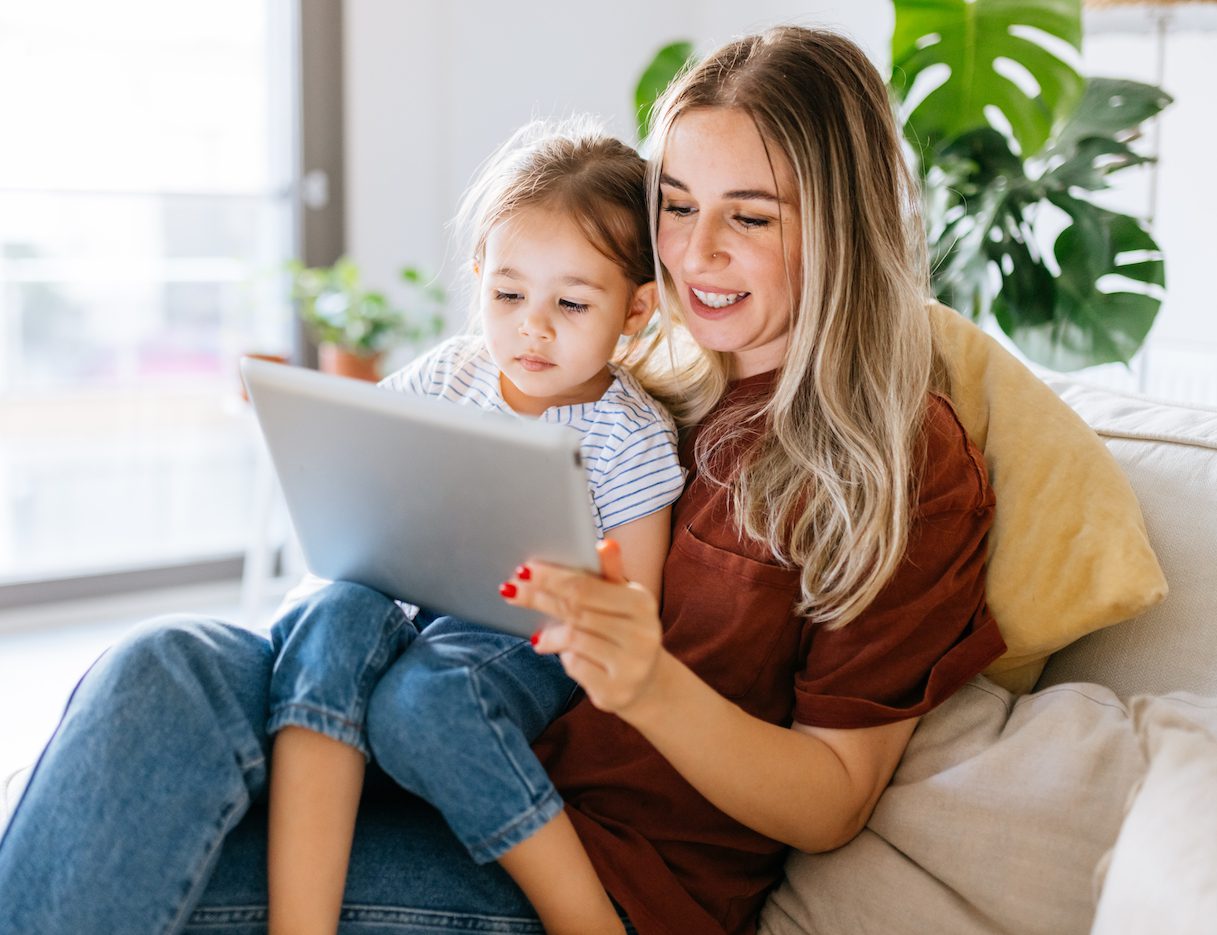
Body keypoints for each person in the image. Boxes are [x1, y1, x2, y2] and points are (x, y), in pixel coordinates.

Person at [0, 25, 1007, 935]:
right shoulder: (626, 363)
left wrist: (649, 683)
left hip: (564, 844)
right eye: (677, 205)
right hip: (385, 716)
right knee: (155, 662)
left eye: (748, 217)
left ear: (840, 224)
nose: (698, 253)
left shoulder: (898, 464)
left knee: (111, 858)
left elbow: (832, 795)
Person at [264, 121, 684, 935]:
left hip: (525, 637)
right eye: (507, 294)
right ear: (478, 279)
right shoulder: (449, 370)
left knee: (433, 697)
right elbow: (362, 465)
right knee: (327, 615)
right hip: (413, 597)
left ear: (635, 311)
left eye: (570, 302)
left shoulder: (626, 433)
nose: (533, 326)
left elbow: (634, 606)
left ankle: (583, 921)